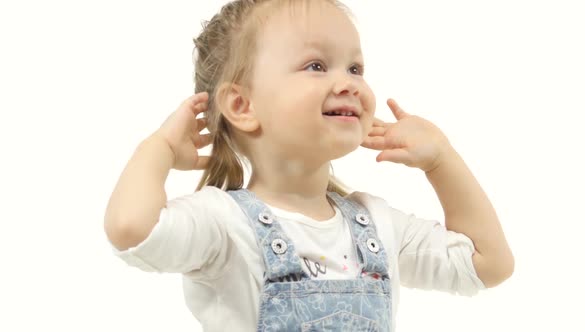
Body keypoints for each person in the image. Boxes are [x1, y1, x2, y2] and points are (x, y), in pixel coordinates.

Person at [104, 0, 514, 331]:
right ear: (242, 106)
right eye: (316, 66)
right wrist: (158, 147)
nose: (349, 82)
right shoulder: (223, 224)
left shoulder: (378, 225)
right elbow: (130, 229)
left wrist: (442, 161)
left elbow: (488, 264)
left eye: (355, 67)